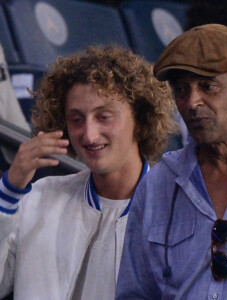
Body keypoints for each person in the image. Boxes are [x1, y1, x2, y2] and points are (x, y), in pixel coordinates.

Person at [116, 24, 227, 299]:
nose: (191, 102)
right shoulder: (158, 185)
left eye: (208, 86)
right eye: (181, 90)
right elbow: (136, 293)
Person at [0, 45, 176, 299]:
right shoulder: (39, 198)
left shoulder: (176, 211)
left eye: (104, 116)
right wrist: (8, 191)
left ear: (140, 118)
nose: (89, 135)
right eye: (76, 119)